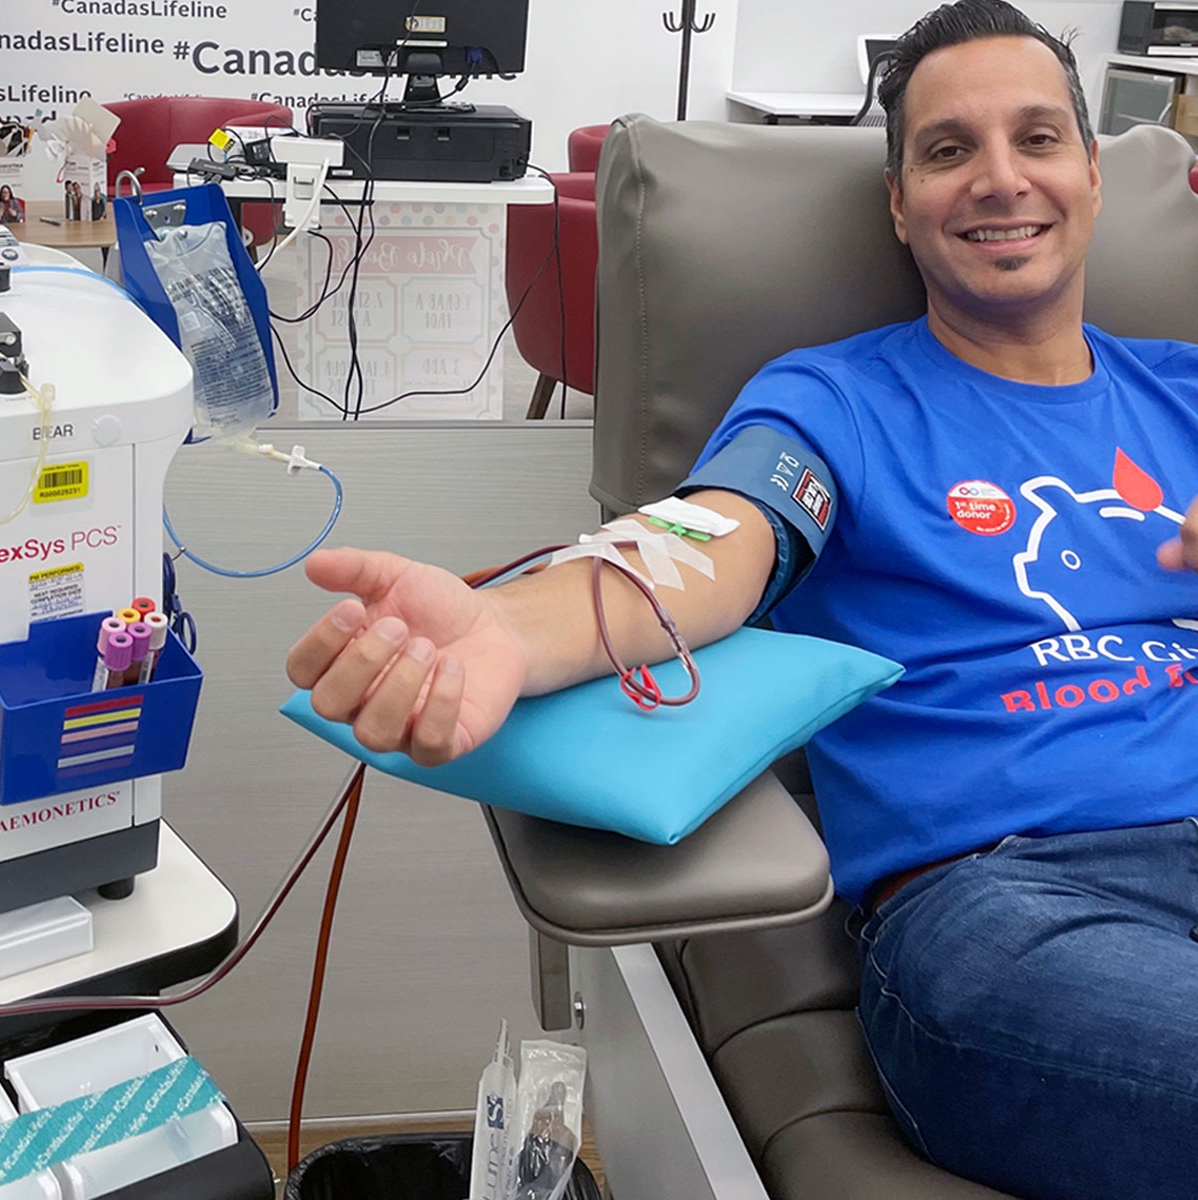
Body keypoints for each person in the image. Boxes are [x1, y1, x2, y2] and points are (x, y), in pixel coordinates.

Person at [287, 3, 1198, 1198]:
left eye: (1037, 138)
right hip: (1014, 910)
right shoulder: (837, 402)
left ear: (1090, 168)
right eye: (945, 150)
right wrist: (508, 628)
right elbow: (715, 540)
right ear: (896, 201)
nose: (998, 180)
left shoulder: (1181, 390)